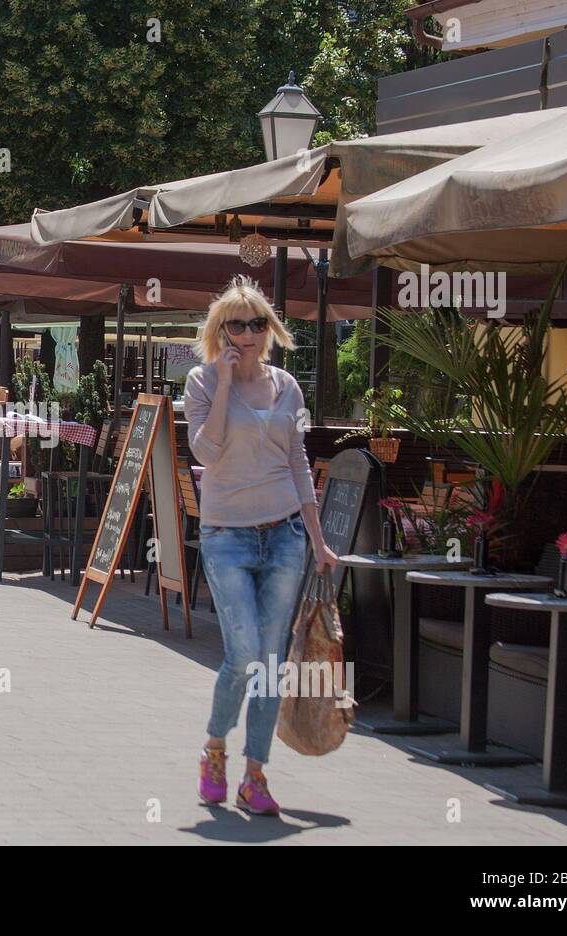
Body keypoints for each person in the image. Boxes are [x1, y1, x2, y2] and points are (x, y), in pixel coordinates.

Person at [184, 275, 336, 816]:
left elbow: (298, 461)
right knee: (244, 654)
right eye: (237, 324)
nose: (247, 333)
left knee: (270, 662)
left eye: (256, 324)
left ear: (268, 330)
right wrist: (226, 383)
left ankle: (256, 774)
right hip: (226, 534)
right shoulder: (201, 381)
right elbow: (208, 451)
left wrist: (318, 539)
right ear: (220, 330)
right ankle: (215, 749)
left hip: (285, 533)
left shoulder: (287, 387)